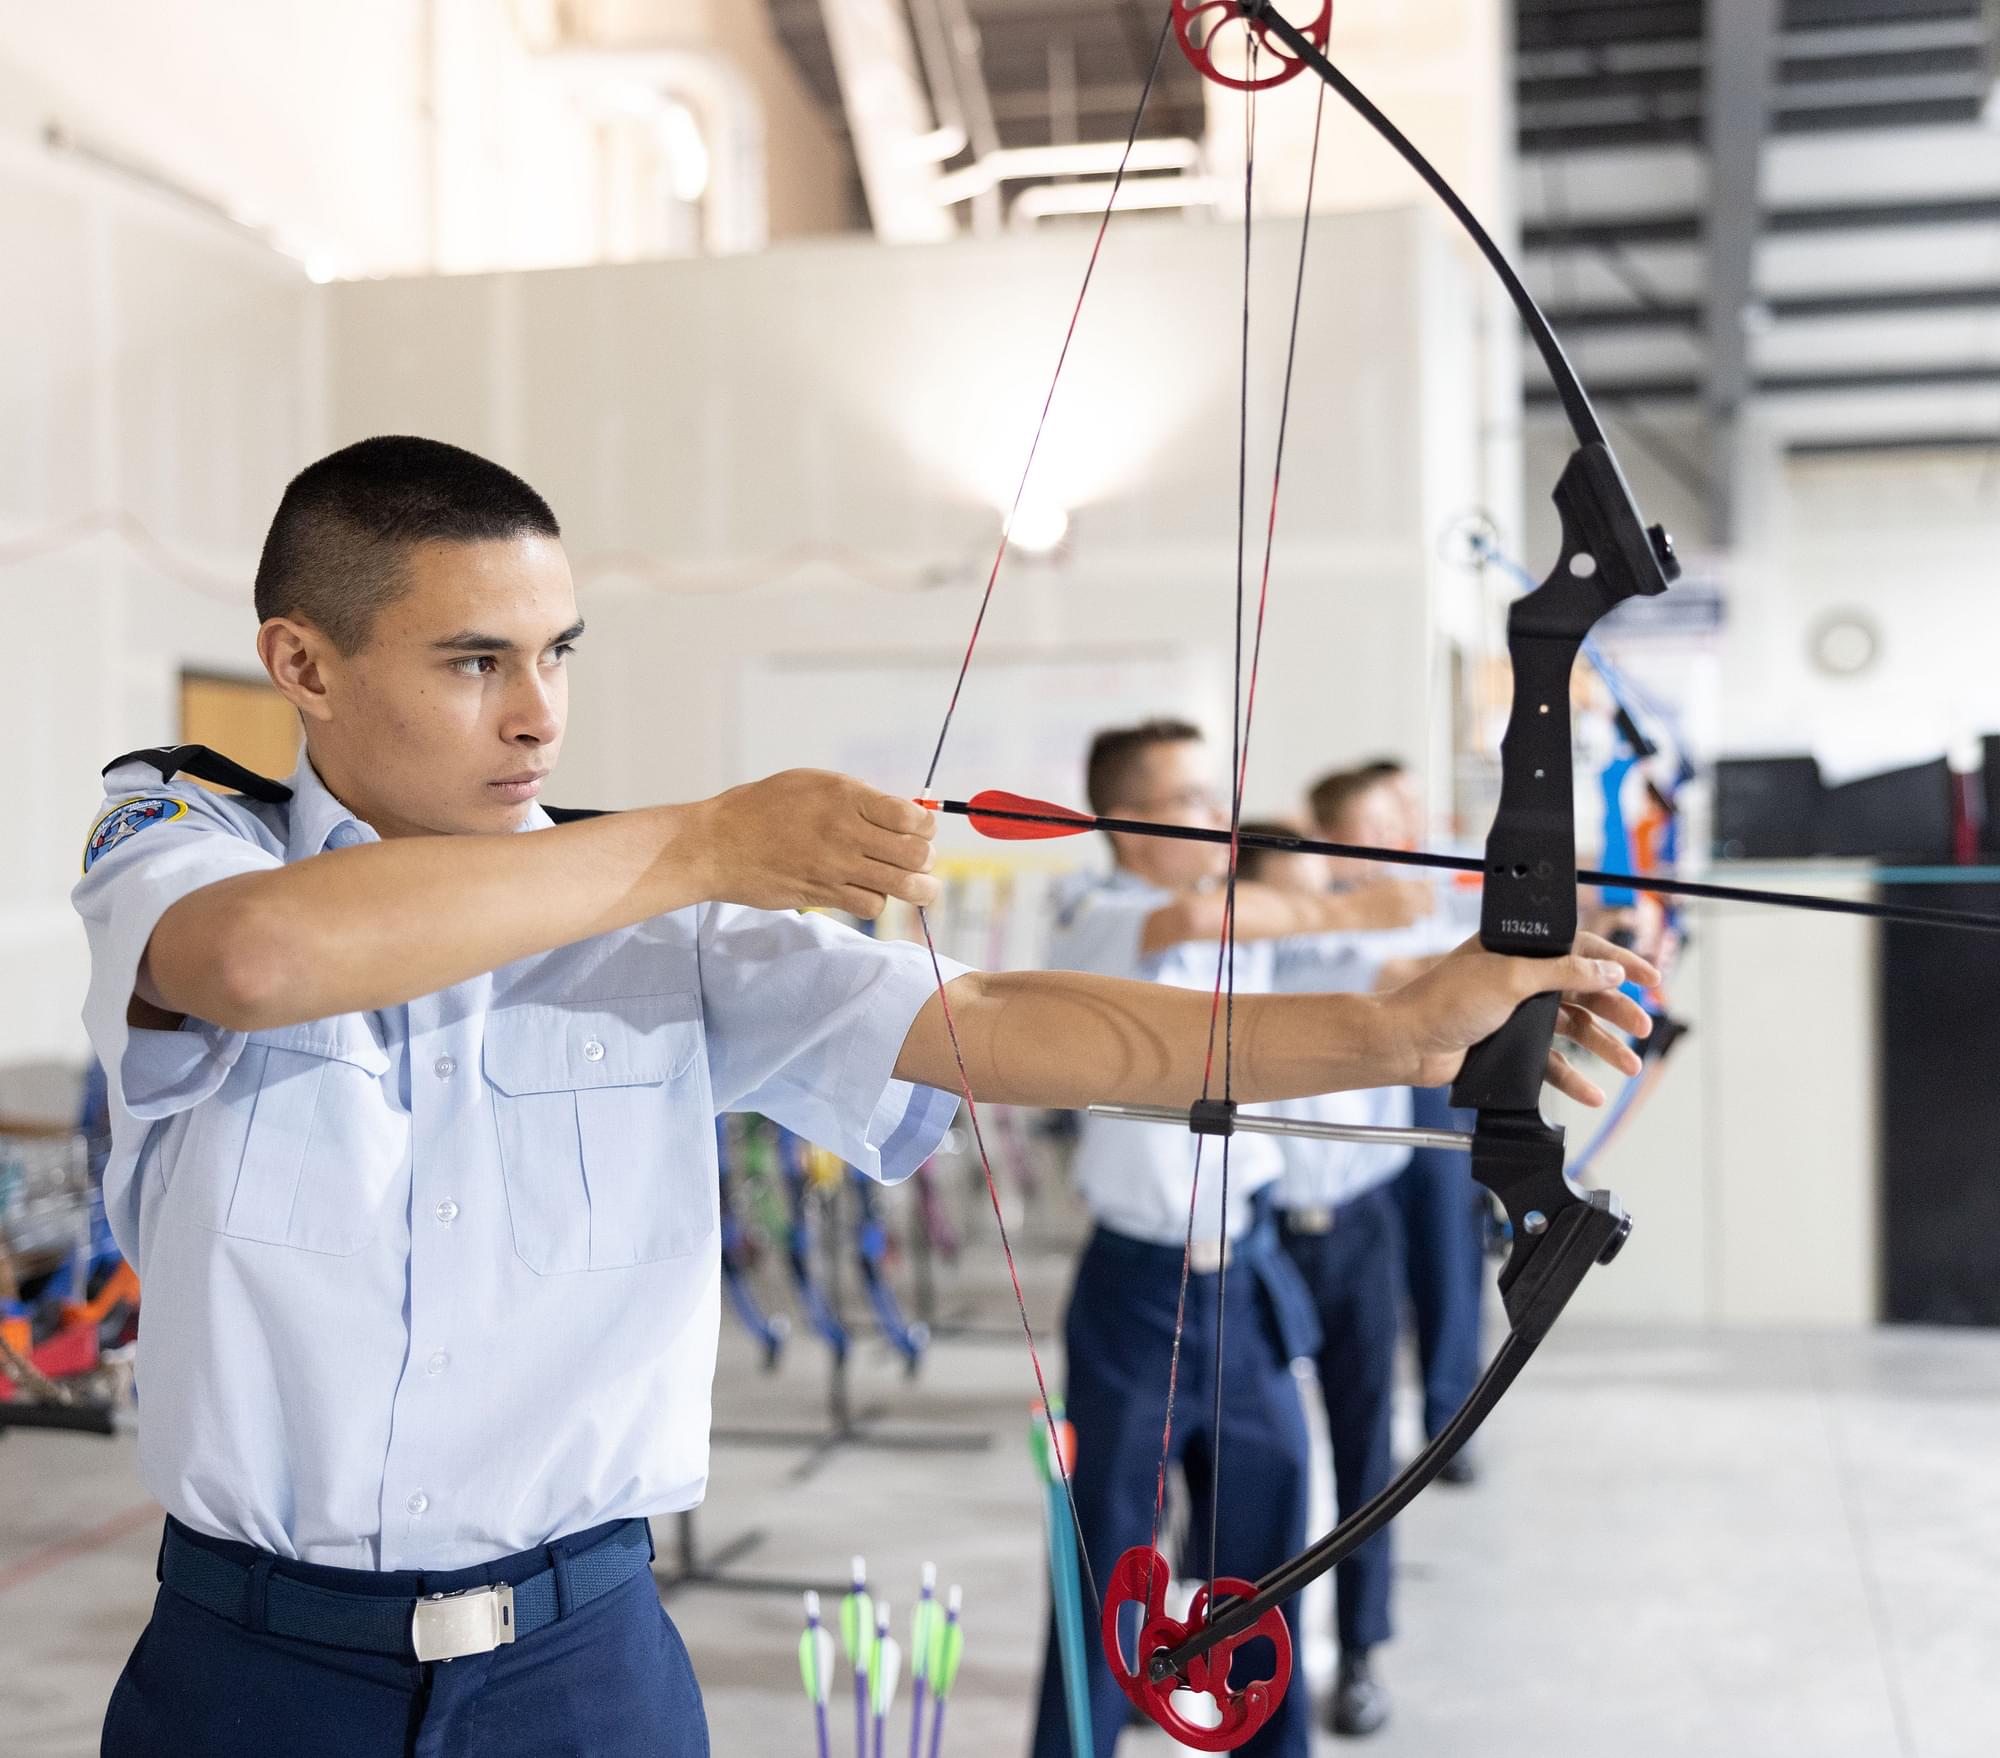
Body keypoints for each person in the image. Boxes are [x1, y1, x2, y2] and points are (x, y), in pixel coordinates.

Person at [76, 438, 1656, 1758]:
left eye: (557, 653)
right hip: (254, 1668)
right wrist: (699, 841)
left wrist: (1393, 1029)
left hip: (578, 1668)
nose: (540, 712)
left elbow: (996, 1021)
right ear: (303, 663)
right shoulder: (182, 844)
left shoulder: (668, 912)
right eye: (475, 660)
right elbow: (261, 959)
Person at [1026, 725, 1650, 1758]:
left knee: (1272, 1554)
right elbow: (1200, 912)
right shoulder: (1096, 911)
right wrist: (1358, 900)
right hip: (1137, 1291)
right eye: (1185, 798)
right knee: (1104, 1561)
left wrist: (1536, 964)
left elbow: (1384, 985)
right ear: (1121, 826)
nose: (1214, 816)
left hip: (1247, 1276)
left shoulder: (1246, 935)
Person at [1237, 828, 1414, 1739]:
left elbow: (1425, 965)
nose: (1317, 916)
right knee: (1242, 1461)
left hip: (1357, 1230)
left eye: (1326, 893)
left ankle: (1357, 1655)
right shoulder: (1228, 964)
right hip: (1257, 1237)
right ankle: (1217, 1651)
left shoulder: (1369, 956)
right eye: (1292, 900)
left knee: (1364, 1452)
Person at [1310, 764, 1487, 1480]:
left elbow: (1470, 945)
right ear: (1331, 840)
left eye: (1396, 825)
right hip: (1348, 1112)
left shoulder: (1424, 898)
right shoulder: (1314, 912)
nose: (1391, 840)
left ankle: (1450, 1424)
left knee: (1448, 1254)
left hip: (1432, 1095)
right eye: (1373, 828)